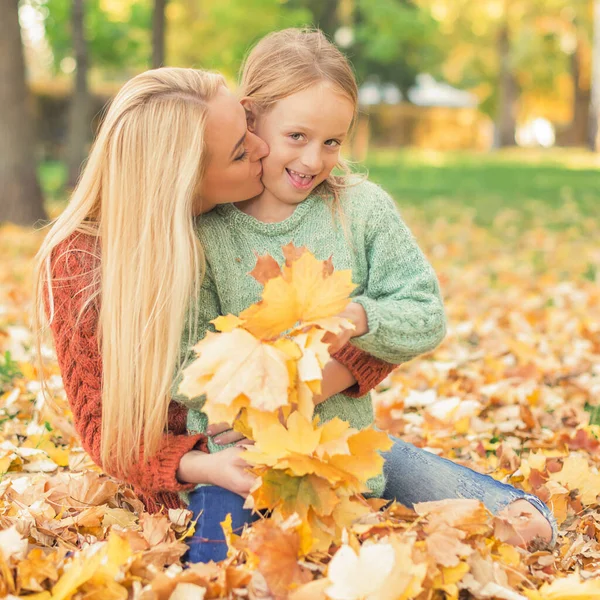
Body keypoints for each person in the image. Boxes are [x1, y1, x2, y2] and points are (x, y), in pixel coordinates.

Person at [177, 28, 556, 563]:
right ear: (252, 121)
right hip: (244, 458)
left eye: (332, 142)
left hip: (348, 451)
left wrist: (361, 315)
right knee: (221, 563)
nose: (314, 159)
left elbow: (425, 313)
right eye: (297, 137)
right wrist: (268, 400)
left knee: (528, 525)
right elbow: (187, 365)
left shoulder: (361, 209)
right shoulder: (210, 229)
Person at [32, 66, 397, 553]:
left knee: (485, 509)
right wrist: (202, 466)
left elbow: (386, 321)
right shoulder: (81, 263)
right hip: (200, 478)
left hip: (306, 441)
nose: (262, 147)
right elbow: (104, 430)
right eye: (242, 149)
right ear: (184, 180)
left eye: (249, 124)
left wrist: (309, 387)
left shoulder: (266, 212)